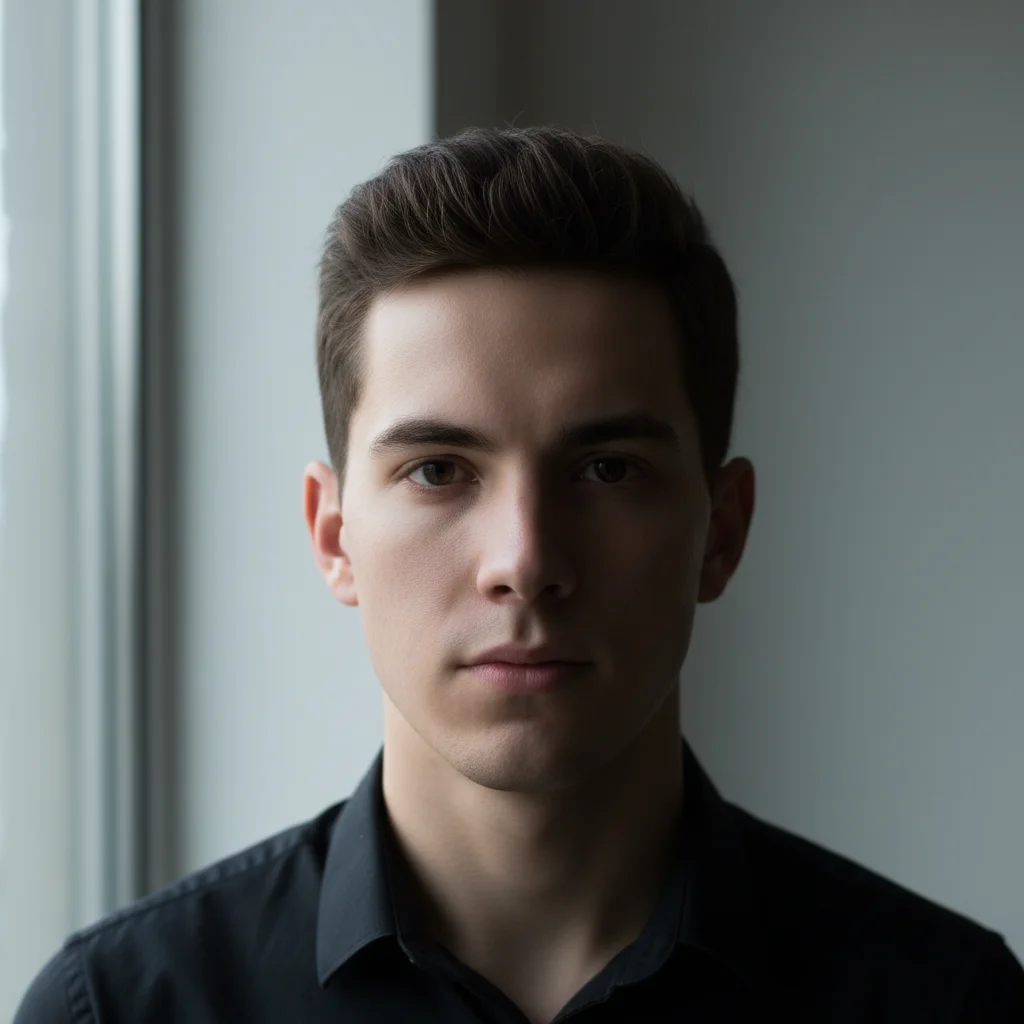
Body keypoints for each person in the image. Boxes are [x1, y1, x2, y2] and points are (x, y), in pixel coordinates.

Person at [15, 125, 1024, 1023]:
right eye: (438, 471)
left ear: (720, 532)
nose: (526, 562)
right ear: (332, 536)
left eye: (606, 468)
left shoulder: (944, 1001)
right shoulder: (120, 1006)